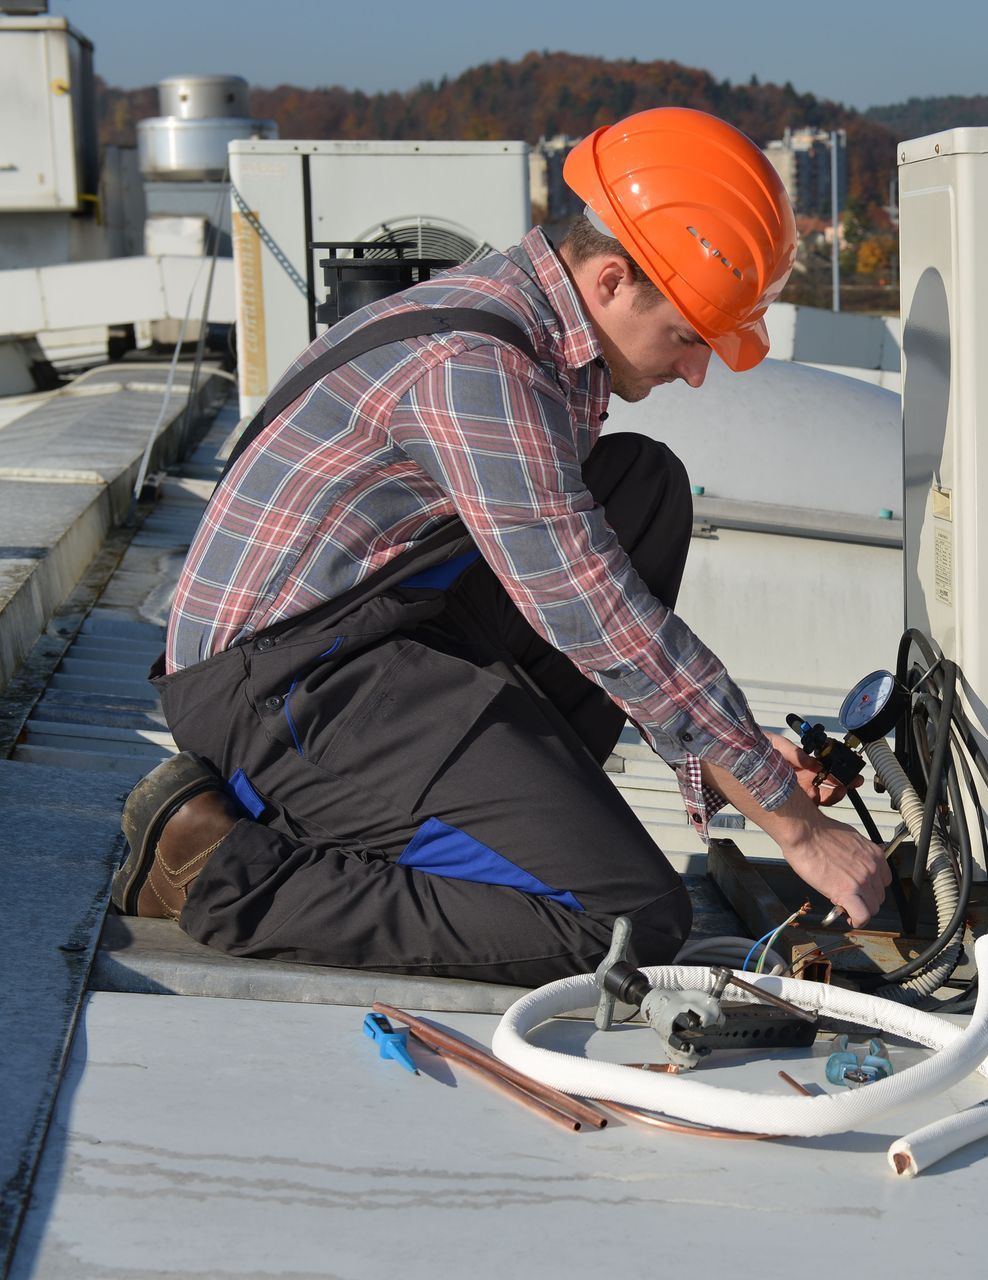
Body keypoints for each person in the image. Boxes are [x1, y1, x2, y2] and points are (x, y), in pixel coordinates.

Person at [111, 108, 891, 986]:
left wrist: (737, 763)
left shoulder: (537, 329)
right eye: (687, 336)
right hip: (284, 691)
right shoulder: (476, 367)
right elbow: (601, 616)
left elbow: (585, 595)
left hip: (377, 634)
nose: (696, 370)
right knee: (630, 923)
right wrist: (796, 825)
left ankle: (524, 812)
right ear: (609, 280)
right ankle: (221, 873)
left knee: (641, 487)